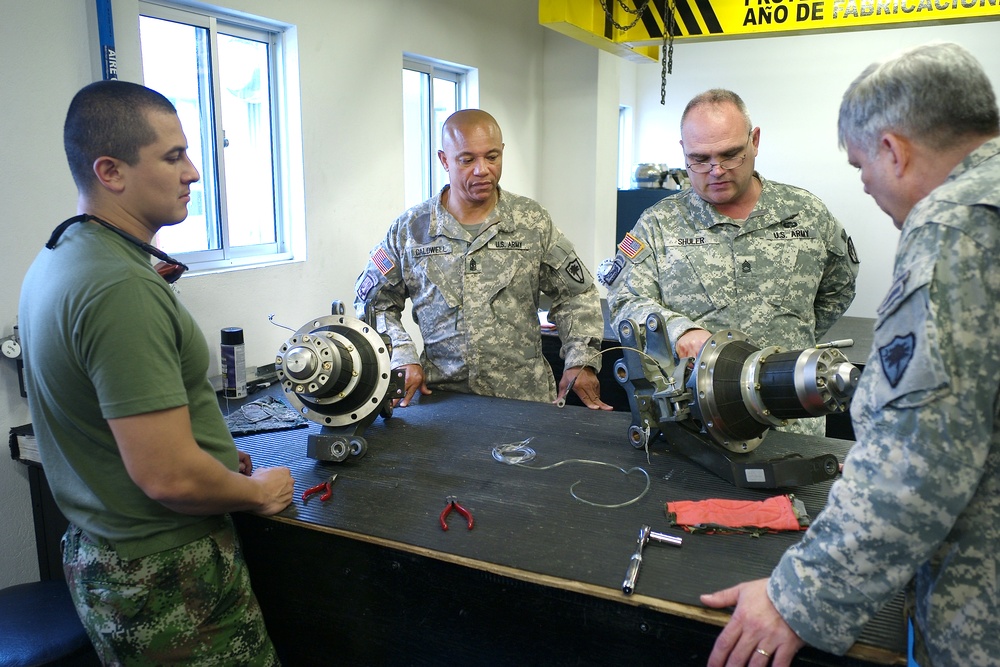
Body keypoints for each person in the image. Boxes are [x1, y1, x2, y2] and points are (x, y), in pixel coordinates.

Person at [702, 42, 1000, 667]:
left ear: (893, 149)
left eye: (862, 164)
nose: (863, 184)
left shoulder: (952, 234)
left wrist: (798, 598)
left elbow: (915, 465)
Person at [18, 80, 294, 665]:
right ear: (111, 172)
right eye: (173, 158)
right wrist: (252, 491)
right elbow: (168, 478)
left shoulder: (62, 255)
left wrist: (212, 456)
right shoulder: (120, 287)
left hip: (111, 556)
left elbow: (115, 428)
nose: (192, 172)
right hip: (168, 573)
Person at [605, 89, 859, 436]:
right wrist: (681, 333)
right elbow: (625, 301)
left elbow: (839, 287)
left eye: (730, 155)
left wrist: (793, 333)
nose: (716, 170)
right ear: (683, 151)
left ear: (754, 141)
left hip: (792, 419)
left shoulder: (807, 215)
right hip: (697, 425)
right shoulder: (658, 224)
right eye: (700, 158)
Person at [354, 109, 611, 409]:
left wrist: (580, 359)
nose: (482, 170)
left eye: (492, 157)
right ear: (444, 160)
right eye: (467, 160)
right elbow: (374, 302)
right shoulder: (412, 230)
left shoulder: (531, 221)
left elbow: (576, 295)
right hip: (442, 401)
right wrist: (400, 352)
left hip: (524, 400)